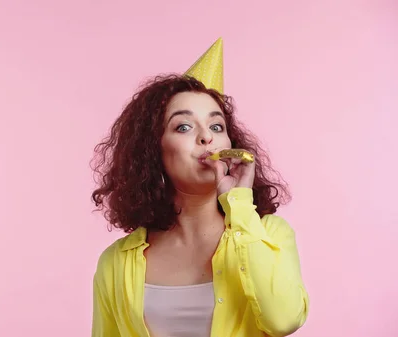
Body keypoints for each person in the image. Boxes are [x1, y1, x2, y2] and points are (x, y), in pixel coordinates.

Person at [90, 38, 309, 337]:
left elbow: (284, 320)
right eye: (184, 126)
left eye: (217, 126)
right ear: (153, 151)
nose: (207, 137)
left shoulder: (269, 235)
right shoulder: (115, 262)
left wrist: (240, 204)